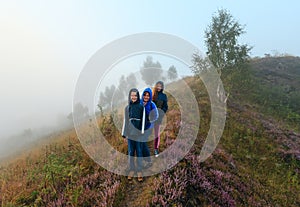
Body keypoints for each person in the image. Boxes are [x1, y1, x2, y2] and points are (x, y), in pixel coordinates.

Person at [122, 88, 145, 182]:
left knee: (139, 151)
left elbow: (143, 120)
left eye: (135, 95)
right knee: (131, 152)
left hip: (138, 134)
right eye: (132, 95)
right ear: (130, 96)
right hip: (130, 134)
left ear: (138, 96)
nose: (133, 97)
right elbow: (125, 121)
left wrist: (142, 131)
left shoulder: (141, 107)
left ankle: (139, 170)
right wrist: (124, 133)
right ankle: (132, 169)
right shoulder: (127, 108)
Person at [140, 87, 158, 168]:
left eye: (148, 95)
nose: (146, 97)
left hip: (148, 127)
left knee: (143, 142)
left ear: (150, 96)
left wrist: (150, 119)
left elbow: (156, 116)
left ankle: (148, 161)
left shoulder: (152, 104)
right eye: (145, 95)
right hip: (139, 127)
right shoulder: (139, 103)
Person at [152, 81, 168, 157]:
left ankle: (156, 149)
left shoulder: (164, 96)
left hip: (158, 117)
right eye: (157, 86)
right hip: (150, 117)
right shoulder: (152, 94)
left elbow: (165, 106)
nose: (159, 87)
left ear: (162, 87)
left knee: (156, 134)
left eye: (160, 86)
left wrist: (161, 113)